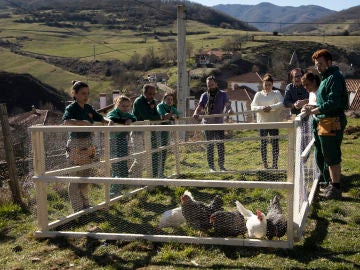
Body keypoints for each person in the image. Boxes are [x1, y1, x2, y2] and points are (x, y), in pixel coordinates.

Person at [304, 49, 348, 200]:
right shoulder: (327, 77)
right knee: (328, 154)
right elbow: (323, 101)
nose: (318, 67)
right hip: (325, 120)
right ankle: (331, 184)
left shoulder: (334, 77)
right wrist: (313, 107)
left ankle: (336, 188)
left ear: (329, 62)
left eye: (321, 64)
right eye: (316, 65)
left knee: (332, 155)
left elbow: (333, 102)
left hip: (331, 120)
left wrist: (315, 110)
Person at [62, 80, 111, 212]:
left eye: (87, 93)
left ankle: (86, 206)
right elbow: (66, 121)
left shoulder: (89, 108)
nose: (86, 96)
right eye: (83, 93)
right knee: (74, 179)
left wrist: (108, 121)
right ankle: (77, 210)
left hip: (88, 145)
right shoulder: (71, 108)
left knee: (85, 177)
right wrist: (81, 122)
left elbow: (100, 118)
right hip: (75, 145)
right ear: (75, 94)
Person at [193, 76, 232, 172]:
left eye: (212, 84)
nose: (210, 86)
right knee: (210, 145)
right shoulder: (205, 95)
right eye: (209, 85)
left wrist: (230, 110)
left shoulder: (223, 94)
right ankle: (211, 167)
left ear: (216, 84)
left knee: (220, 145)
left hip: (219, 123)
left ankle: (221, 166)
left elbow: (227, 104)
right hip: (207, 123)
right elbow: (200, 106)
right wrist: (195, 113)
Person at [251, 73, 284, 169]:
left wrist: (271, 107)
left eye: (269, 84)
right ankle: (265, 164)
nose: (267, 86)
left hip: (274, 123)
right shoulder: (258, 94)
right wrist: (262, 108)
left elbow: (281, 103)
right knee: (263, 144)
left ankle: (275, 164)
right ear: (263, 85)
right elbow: (253, 107)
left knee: (275, 144)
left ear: (272, 84)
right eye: (265, 85)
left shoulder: (276, 93)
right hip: (262, 124)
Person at [106, 95, 137, 197]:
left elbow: (133, 117)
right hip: (114, 141)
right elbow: (110, 118)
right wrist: (116, 121)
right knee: (117, 166)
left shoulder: (128, 114)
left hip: (123, 141)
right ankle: (113, 193)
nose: (125, 108)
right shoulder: (113, 113)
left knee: (123, 165)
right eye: (123, 106)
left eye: (128, 106)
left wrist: (130, 120)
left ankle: (119, 189)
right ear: (116, 105)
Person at [132, 84, 161, 177]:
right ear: (144, 93)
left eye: (153, 94)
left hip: (149, 131)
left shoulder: (153, 101)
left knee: (153, 153)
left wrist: (159, 117)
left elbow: (156, 114)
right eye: (149, 94)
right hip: (138, 132)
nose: (152, 96)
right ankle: (135, 179)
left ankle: (153, 177)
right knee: (139, 157)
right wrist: (160, 117)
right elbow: (147, 117)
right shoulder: (139, 101)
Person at [157, 92, 180, 178]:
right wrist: (171, 115)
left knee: (164, 152)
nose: (170, 101)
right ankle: (156, 174)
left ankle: (161, 173)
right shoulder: (160, 106)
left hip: (166, 133)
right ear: (164, 99)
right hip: (158, 132)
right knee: (158, 152)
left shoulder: (171, 107)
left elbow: (177, 114)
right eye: (168, 99)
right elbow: (163, 116)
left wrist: (173, 115)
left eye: (171, 99)